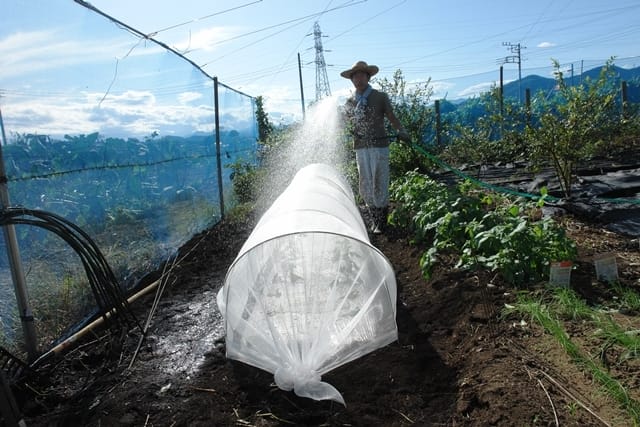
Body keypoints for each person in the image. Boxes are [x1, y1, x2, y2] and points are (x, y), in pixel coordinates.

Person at [340, 60, 410, 234]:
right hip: (361, 147)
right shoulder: (350, 102)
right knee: (365, 182)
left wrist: (401, 131)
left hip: (379, 145)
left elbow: (391, 116)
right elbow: (345, 121)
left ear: (368, 77)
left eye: (362, 75)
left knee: (379, 179)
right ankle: (373, 217)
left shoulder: (379, 97)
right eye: (355, 76)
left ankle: (381, 221)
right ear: (352, 80)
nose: (358, 79)